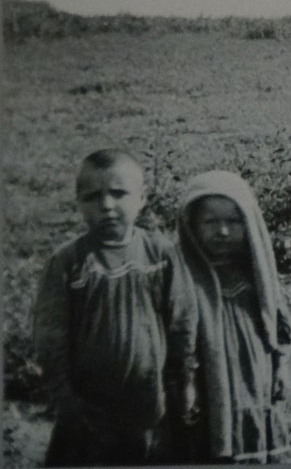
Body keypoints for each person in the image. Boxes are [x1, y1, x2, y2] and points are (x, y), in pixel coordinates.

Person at [32, 149, 198, 466]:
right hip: (87, 408)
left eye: (118, 194)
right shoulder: (68, 262)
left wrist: (187, 380)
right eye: (93, 197)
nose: (106, 206)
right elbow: (51, 337)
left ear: (141, 197)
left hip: (149, 402)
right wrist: (63, 397)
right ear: (78, 202)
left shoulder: (159, 252)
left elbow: (182, 320)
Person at [177, 170, 291, 463]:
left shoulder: (256, 276)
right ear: (191, 224)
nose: (223, 231)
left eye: (233, 221)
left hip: (253, 378)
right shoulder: (182, 275)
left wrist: (280, 368)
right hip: (206, 380)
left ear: (249, 223)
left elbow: (277, 325)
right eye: (210, 222)